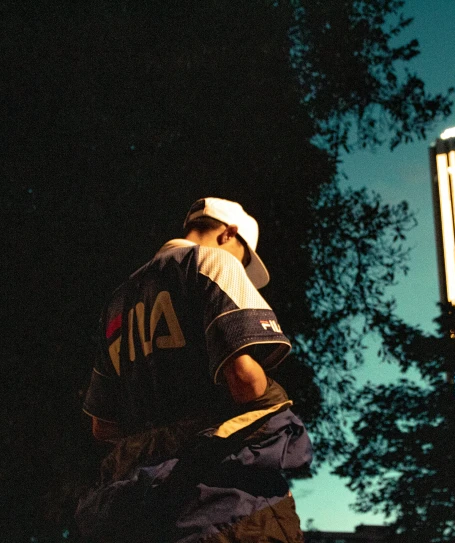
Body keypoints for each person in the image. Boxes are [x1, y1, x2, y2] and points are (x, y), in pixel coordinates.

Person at [76, 197, 312, 543]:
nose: (241, 269)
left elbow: (102, 426)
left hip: (140, 511)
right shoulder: (212, 262)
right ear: (229, 234)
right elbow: (244, 379)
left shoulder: (118, 300)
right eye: (244, 259)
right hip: (221, 507)